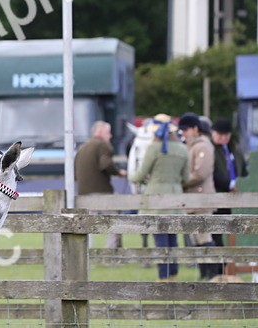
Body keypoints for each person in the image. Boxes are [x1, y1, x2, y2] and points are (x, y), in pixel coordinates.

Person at [129, 117, 189, 281]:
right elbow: (186, 176)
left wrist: (132, 176)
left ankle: (163, 276)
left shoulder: (154, 148)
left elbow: (140, 174)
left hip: (156, 197)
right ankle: (173, 274)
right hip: (176, 196)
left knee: (160, 238)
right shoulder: (182, 149)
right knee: (172, 238)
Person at [75, 120, 127, 248]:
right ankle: (111, 252)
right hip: (102, 191)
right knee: (113, 221)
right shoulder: (102, 145)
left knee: (85, 225)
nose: (110, 136)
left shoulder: (82, 148)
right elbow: (106, 164)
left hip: (83, 193)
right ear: (100, 132)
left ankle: (86, 253)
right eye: (108, 132)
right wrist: (118, 172)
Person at [178, 112, 217, 279]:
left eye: (186, 130)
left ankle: (211, 272)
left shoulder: (203, 146)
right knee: (197, 238)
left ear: (195, 129)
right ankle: (204, 272)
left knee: (204, 236)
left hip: (201, 199)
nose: (184, 133)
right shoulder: (191, 147)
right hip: (192, 200)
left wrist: (180, 182)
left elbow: (200, 173)